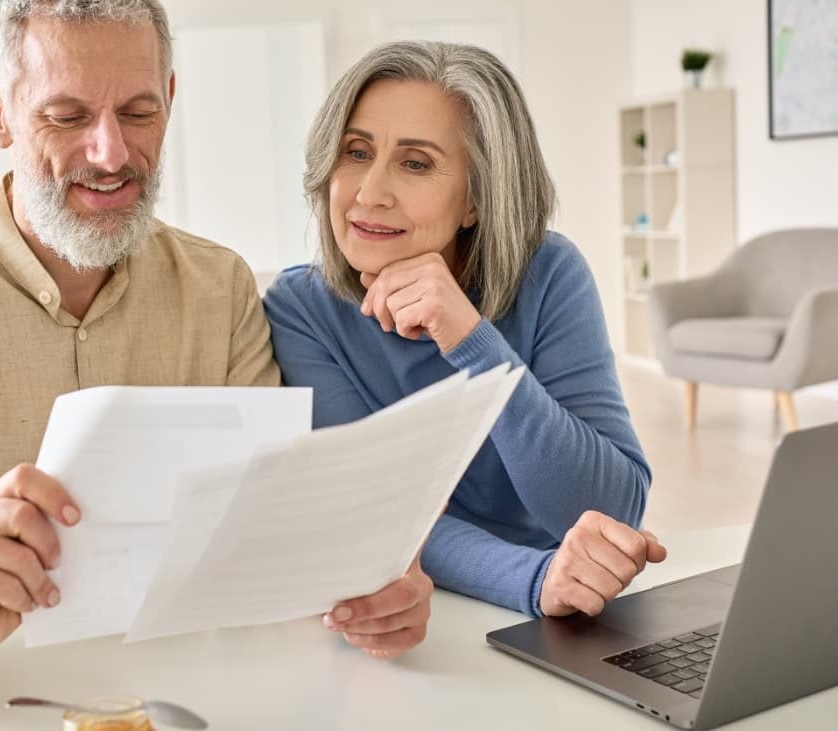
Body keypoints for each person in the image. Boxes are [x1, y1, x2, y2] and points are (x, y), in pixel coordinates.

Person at [0, 1, 430, 692]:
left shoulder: (221, 288)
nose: (112, 154)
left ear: (172, 99)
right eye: (66, 116)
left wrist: (371, 580)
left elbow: (270, 527)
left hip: (198, 697)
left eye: (138, 112)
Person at [264, 41, 667, 626]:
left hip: (556, 612)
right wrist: (532, 580)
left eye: (416, 162)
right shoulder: (301, 307)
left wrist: (474, 343)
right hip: (408, 610)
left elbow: (611, 507)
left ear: (476, 198)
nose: (369, 192)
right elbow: (374, 512)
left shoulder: (549, 274)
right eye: (355, 152)